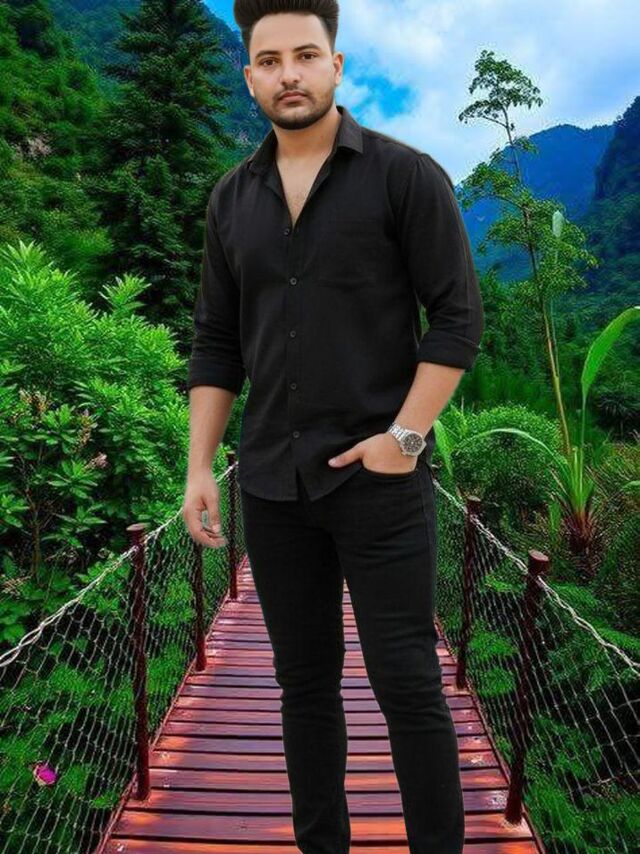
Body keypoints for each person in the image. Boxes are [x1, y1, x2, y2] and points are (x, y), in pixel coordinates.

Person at [182, 2, 484, 852]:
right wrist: (199, 467)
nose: (290, 74)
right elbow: (215, 342)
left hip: (380, 483)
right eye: (270, 59)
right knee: (304, 687)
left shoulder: (404, 177)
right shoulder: (230, 200)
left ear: (336, 65)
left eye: (306, 55)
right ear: (249, 75)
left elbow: (457, 319)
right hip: (272, 485)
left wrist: (405, 440)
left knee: (407, 684)